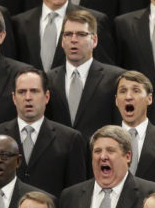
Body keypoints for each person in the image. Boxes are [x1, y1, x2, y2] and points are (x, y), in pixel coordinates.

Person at [0, 68, 87, 197]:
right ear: (14, 98)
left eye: (34, 91)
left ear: (47, 97)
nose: (28, 97)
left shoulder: (70, 139)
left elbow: (76, 194)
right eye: (22, 92)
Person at [45, 9, 125, 139]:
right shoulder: (48, 79)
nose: (74, 40)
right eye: (68, 34)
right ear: (62, 41)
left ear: (94, 40)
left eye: (81, 34)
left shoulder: (115, 78)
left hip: (99, 155)